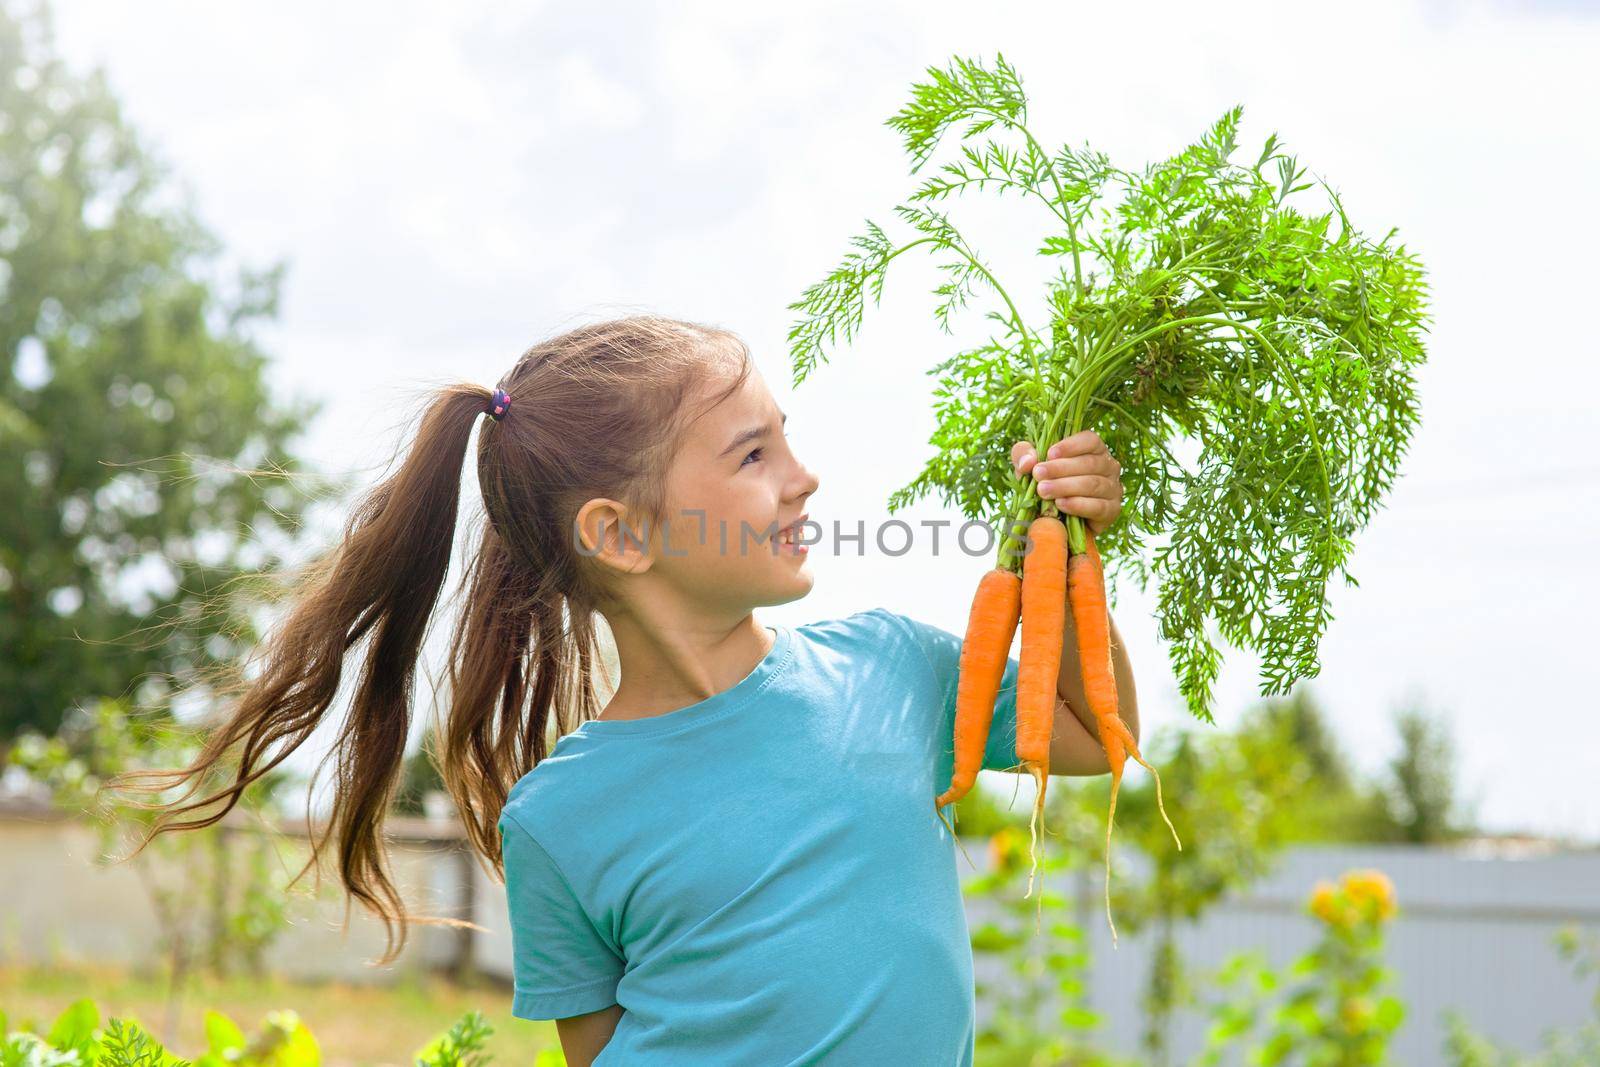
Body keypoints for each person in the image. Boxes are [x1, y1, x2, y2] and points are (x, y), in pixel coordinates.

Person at [113, 315, 1138, 1066]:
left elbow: (1102, 731)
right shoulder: (559, 816)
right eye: (752, 452)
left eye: (783, 435)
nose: (803, 475)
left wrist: (1076, 547)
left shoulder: (890, 666)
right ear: (621, 532)